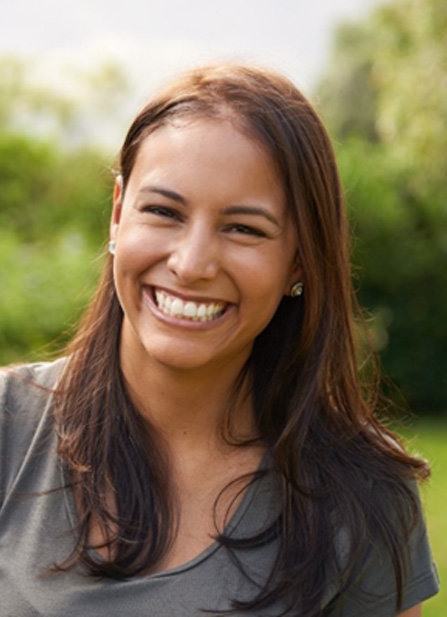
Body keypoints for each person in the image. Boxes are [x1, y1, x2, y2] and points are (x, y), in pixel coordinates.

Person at [0, 63, 439, 617]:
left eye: (244, 228)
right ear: (117, 215)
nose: (191, 263)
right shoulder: (6, 427)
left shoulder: (364, 495)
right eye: (163, 211)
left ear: (300, 259)